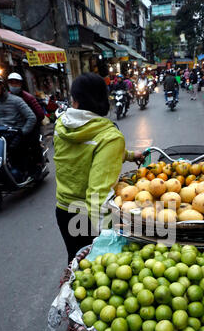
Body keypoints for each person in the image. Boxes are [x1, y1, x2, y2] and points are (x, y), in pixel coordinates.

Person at [53, 73, 144, 264]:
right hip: (88, 216)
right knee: (96, 266)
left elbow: (84, 151)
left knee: (75, 261)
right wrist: (106, 236)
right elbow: (98, 193)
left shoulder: (62, 125)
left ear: (75, 101)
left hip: (63, 209)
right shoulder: (109, 137)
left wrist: (127, 155)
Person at [7, 72, 45, 169]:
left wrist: (31, 124)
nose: (14, 86)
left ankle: (38, 164)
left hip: (30, 126)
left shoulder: (28, 97)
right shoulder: (6, 98)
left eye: (16, 83)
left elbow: (40, 114)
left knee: (33, 142)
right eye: (12, 83)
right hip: (14, 127)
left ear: (20, 84)